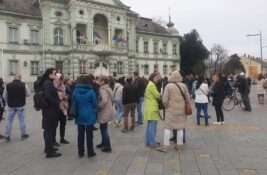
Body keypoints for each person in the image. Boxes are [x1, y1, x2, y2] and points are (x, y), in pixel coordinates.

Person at [157, 71, 190, 152]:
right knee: (180, 128)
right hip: (181, 110)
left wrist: (167, 106)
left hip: (170, 111)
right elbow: (188, 99)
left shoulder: (168, 86)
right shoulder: (183, 86)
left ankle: (165, 146)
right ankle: (178, 145)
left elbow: (164, 100)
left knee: (167, 127)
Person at [73, 75, 98, 158]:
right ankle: (90, 152)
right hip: (89, 114)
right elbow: (95, 104)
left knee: (80, 134)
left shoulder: (76, 90)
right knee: (89, 134)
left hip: (79, 114)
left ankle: (80, 152)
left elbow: (72, 100)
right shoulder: (91, 91)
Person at [3, 74, 31, 142]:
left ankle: (7, 136)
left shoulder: (8, 85)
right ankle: (23, 135)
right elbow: (28, 94)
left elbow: (4, 96)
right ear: (20, 78)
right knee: (22, 120)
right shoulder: (24, 85)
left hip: (10, 105)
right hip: (21, 105)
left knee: (9, 121)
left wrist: (8, 102)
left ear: (14, 78)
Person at [40, 68, 61, 158]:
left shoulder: (48, 82)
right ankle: (49, 151)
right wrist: (56, 103)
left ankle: (48, 147)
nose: (56, 75)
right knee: (49, 130)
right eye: (54, 73)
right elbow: (48, 96)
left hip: (50, 110)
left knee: (49, 129)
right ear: (49, 75)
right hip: (50, 110)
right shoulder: (48, 83)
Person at [96, 76, 114, 153]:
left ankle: (108, 146)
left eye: (99, 80)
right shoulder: (108, 88)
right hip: (109, 110)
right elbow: (112, 98)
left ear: (103, 81)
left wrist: (98, 107)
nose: (98, 81)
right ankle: (103, 143)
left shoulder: (102, 89)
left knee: (104, 129)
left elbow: (104, 101)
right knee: (103, 127)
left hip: (104, 112)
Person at [144, 72, 161, 148]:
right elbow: (158, 95)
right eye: (157, 78)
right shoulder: (151, 85)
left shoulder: (150, 84)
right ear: (152, 77)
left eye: (158, 78)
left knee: (150, 126)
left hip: (149, 107)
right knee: (152, 126)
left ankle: (148, 141)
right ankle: (152, 143)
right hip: (152, 108)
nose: (158, 79)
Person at [53, 75, 69, 145]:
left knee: (63, 124)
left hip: (63, 108)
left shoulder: (63, 86)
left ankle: (62, 138)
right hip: (56, 108)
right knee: (55, 125)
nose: (61, 81)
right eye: (60, 79)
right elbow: (53, 97)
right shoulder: (54, 87)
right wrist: (60, 98)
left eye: (62, 79)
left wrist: (65, 97)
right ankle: (53, 140)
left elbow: (64, 94)